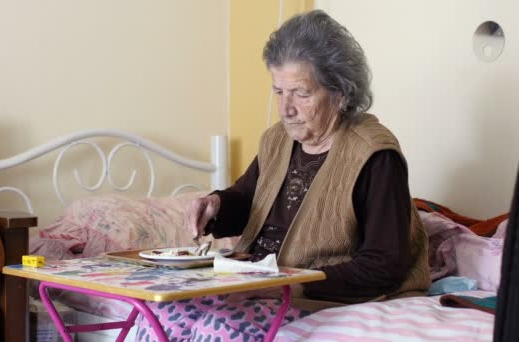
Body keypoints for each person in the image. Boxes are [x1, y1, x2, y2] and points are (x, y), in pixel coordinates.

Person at [136, 9, 430, 342]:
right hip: (260, 283)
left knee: (217, 329)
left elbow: (384, 263)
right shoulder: (277, 139)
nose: (286, 108)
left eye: (301, 94)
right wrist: (215, 205)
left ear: (341, 93)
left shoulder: (375, 155)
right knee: (158, 317)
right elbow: (249, 201)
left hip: (323, 294)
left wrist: (292, 282)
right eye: (278, 92)